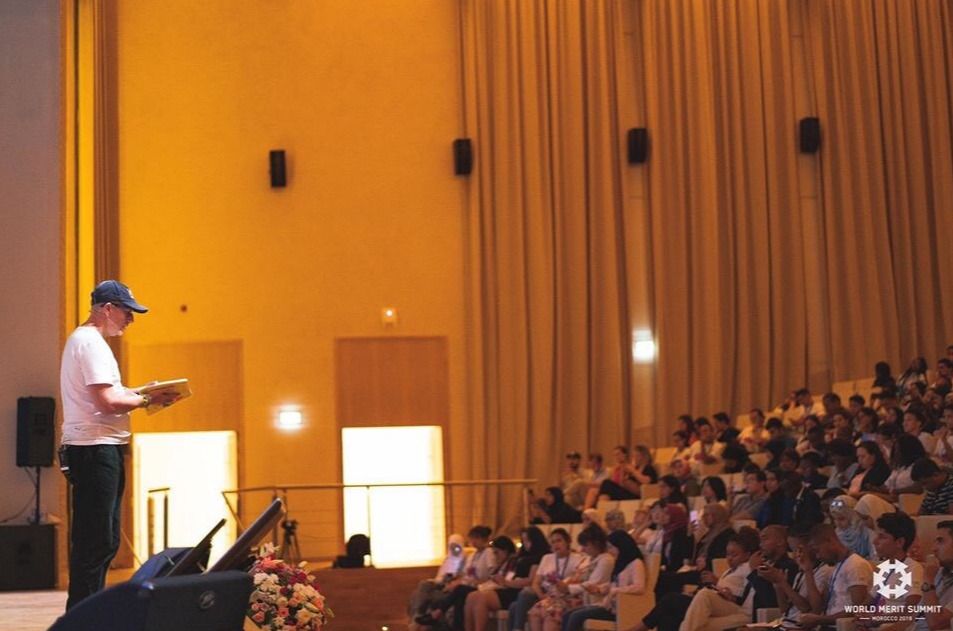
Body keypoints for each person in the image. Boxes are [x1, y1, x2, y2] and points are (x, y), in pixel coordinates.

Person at [59, 280, 181, 609]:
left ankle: (89, 615)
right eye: (128, 312)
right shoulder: (90, 343)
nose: (131, 319)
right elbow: (109, 400)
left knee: (104, 540)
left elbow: (109, 395)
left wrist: (145, 393)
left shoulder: (89, 341)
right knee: (94, 541)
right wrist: (146, 399)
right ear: (108, 309)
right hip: (94, 448)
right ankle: (82, 619)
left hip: (99, 447)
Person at [625, 528, 760, 631]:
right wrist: (716, 583)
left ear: (747, 554)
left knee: (671, 599)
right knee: (668, 617)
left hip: (727, 607)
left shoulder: (747, 568)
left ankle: (637, 629)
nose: (729, 558)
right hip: (716, 603)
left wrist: (719, 586)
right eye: (728, 554)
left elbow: (741, 595)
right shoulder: (731, 570)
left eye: (734, 555)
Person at [527, 526, 614, 631]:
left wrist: (568, 588)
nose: (583, 549)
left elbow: (592, 583)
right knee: (535, 612)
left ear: (596, 543)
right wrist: (561, 585)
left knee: (551, 615)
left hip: (586, 598)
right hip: (571, 594)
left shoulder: (606, 560)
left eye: (585, 545)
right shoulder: (589, 559)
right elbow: (574, 576)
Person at [561, 531, 646, 631]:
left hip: (620, 609)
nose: (609, 551)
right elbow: (614, 583)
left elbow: (639, 587)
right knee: (568, 615)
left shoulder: (636, 563)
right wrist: (600, 589)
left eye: (611, 547)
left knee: (576, 616)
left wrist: (616, 590)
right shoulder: (621, 563)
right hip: (609, 605)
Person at [464, 530, 548, 631]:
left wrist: (506, 582)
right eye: (523, 540)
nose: (525, 544)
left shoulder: (539, 558)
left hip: (517, 590)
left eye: (527, 540)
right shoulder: (521, 556)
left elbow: (530, 580)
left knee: (481, 598)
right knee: (471, 596)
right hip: (510, 585)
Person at [796, 523, 873, 629]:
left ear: (830, 541)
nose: (818, 556)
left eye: (818, 550)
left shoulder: (855, 565)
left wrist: (819, 620)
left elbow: (858, 609)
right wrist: (808, 570)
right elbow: (817, 606)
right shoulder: (838, 566)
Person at [759, 523, 832, 630]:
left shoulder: (824, 571)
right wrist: (778, 585)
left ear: (811, 547)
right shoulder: (800, 573)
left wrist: (784, 583)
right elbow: (785, 609)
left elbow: (809, 608)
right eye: (793, 550)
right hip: (784, 624)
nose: (795, 555)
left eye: (799, 549)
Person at [512, 528, 584, 631]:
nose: (556, 545)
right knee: (532, 612)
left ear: (567, 541)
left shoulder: (578, 559)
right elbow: (536, 583)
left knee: (548, 614)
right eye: (553, 542)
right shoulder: (547, 558)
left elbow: (576, 581)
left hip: (566, 596)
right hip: (546, 596)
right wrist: (541, 595)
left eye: (559, 541)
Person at [870, 512, 922, 631]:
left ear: (899, 542)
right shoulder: (883, 568)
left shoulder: (913, 568)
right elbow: (867, 602)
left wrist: (876, 620)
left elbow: (911, 610)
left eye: (882, 537)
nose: (875, 541)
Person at [410, 534, 468, 619]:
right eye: (452, 546)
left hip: (452, 585)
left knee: (428, 592)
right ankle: (418, 613)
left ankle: (422, 614)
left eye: (457, 546)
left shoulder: (465, 559)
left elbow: (463, 576)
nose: (454, 548)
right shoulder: (448, 559)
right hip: (440, 583)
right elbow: (440, 575)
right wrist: (438, 580)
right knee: (424, 584)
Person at [917, 520, 953, 631]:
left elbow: (936, 623)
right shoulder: (940, 571)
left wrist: (928, 579)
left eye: (940, 541)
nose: (934, 549)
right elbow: (917, 617)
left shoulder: (931, 575)